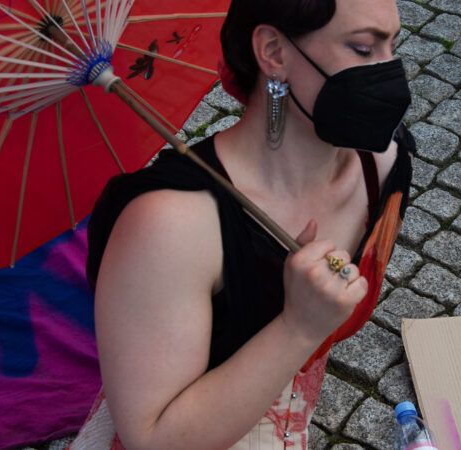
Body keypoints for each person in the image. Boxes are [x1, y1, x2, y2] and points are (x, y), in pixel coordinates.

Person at [70, 0, 415, 448]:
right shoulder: (169, 226)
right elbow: (152, 439)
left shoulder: (384, 166)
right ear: (274, 51)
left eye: (394, 45)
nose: (391, 74)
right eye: (364, 49)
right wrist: (298, 327)